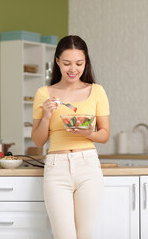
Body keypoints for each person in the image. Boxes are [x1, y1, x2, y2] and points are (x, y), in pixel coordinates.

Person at [31, 35, 110, 239]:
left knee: (85, 235)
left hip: (88, 166)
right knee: (63, 235)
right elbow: (38, 141)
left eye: (79, 63)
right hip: (56, 167)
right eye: (66, 63)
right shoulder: (44, 93)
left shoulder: (97, 91)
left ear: (86, 63)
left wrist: (88, 133)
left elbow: (105, 134)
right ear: (57, 61)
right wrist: (47, 114)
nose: (73, 69)